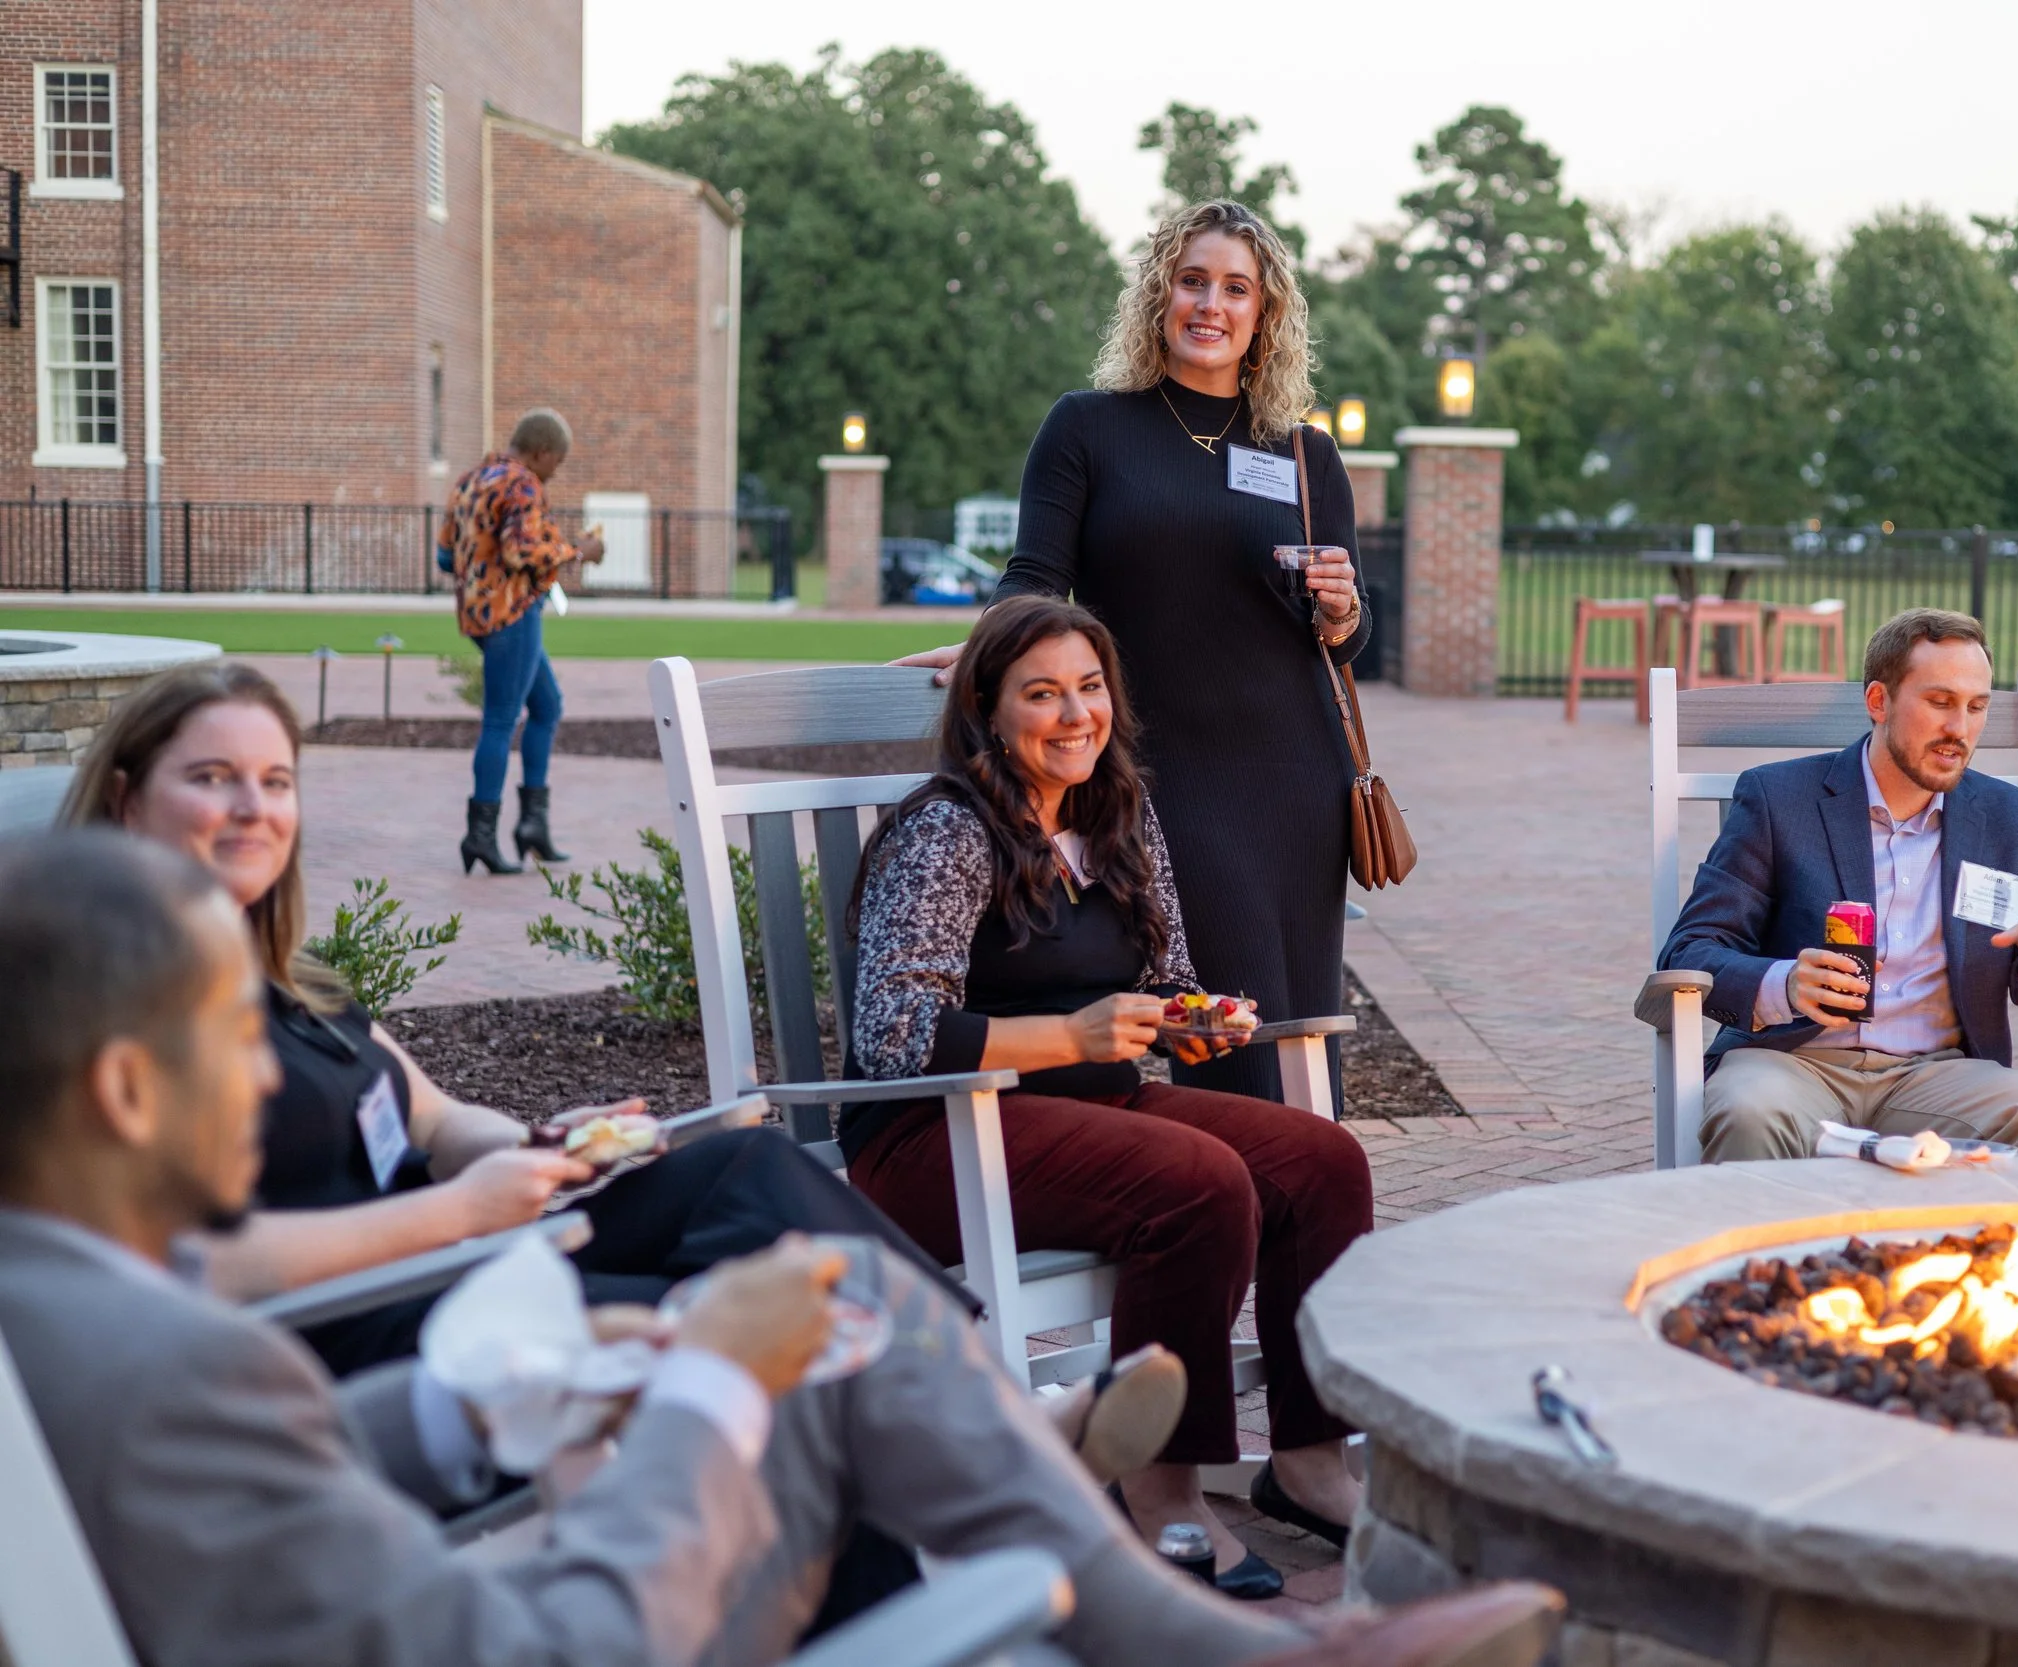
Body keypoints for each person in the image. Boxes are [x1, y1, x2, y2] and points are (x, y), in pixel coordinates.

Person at [0, 828, 1565, 1667]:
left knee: (813, 1341)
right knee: (792, 1361)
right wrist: (703, 1400)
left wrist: (470, 1406)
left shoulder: (70, 1315)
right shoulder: (173, 1362)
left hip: (417, 1535)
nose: (269, 1069)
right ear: (128, 1086)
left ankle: (1200, 1639)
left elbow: (243, 1479)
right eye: (231, 1033)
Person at [57, 657, 1179, 1486]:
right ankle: (991, 1452)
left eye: (275, 779)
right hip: (374, 1322)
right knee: (770, 1351)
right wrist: (455, 1213)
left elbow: (438, 1116)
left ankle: (989, 1420)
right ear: (124, 798)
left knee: (741, 1164)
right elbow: (182, 1266)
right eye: (214, 778)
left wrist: (550, 1145)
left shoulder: (298, 985)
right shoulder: (112, 1008)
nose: (255, 808)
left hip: (473, 1244)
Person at [851, 596, 1374, 1599]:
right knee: (1197, 1181)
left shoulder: (1116, 811)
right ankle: (1163, 1486)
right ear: (987, 713)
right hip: (933, 1135)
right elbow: (893, 1036)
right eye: (1040, 693)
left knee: (1320, 1159)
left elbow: (1166, 973)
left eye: (1088, 688)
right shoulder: (946, 831)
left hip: (1092, 1107)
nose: (1074, 714)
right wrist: (1074, 1034)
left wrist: (1189, 1017)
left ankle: (1306, 1458)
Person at [895, 199, 1366, 1110]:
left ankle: (1311, 1213)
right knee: (1226, 1024)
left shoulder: (1305, 456)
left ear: (1264, 314)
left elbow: (1343, 639)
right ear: (1159, 295)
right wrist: (995, 647)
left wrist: (1346, 614)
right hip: (1165, 774)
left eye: (1237, 288)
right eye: (1193, 281)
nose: (1211, 304)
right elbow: (1035, 575)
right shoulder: (1089, 429)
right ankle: (1241, 1205)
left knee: (1304, 1025)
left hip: (1299, 780)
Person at [1663, 607, 2018, 1163]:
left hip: (1939, 1075)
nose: (1959, 729)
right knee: (1749, 1112)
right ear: (1879, 701)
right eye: (1940, 702)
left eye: (1976, 707)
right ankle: (1770, 1253)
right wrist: (1786, 983)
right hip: (1791, 1064)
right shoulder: (1780, 801)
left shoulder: (2004, 818)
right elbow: (1692, 950)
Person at [438, 406, 604, 876]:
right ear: (542, 452)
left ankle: (533, 826)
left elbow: (445, 555)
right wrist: (580, 551)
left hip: (477, 615)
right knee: (500, 720)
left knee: (547, 706)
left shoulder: (470, 480)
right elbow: (520, 550)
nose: (555, 474)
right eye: (558, 463)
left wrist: (480, 571)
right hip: (512, 613)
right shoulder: (523, 483)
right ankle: (481, 835)